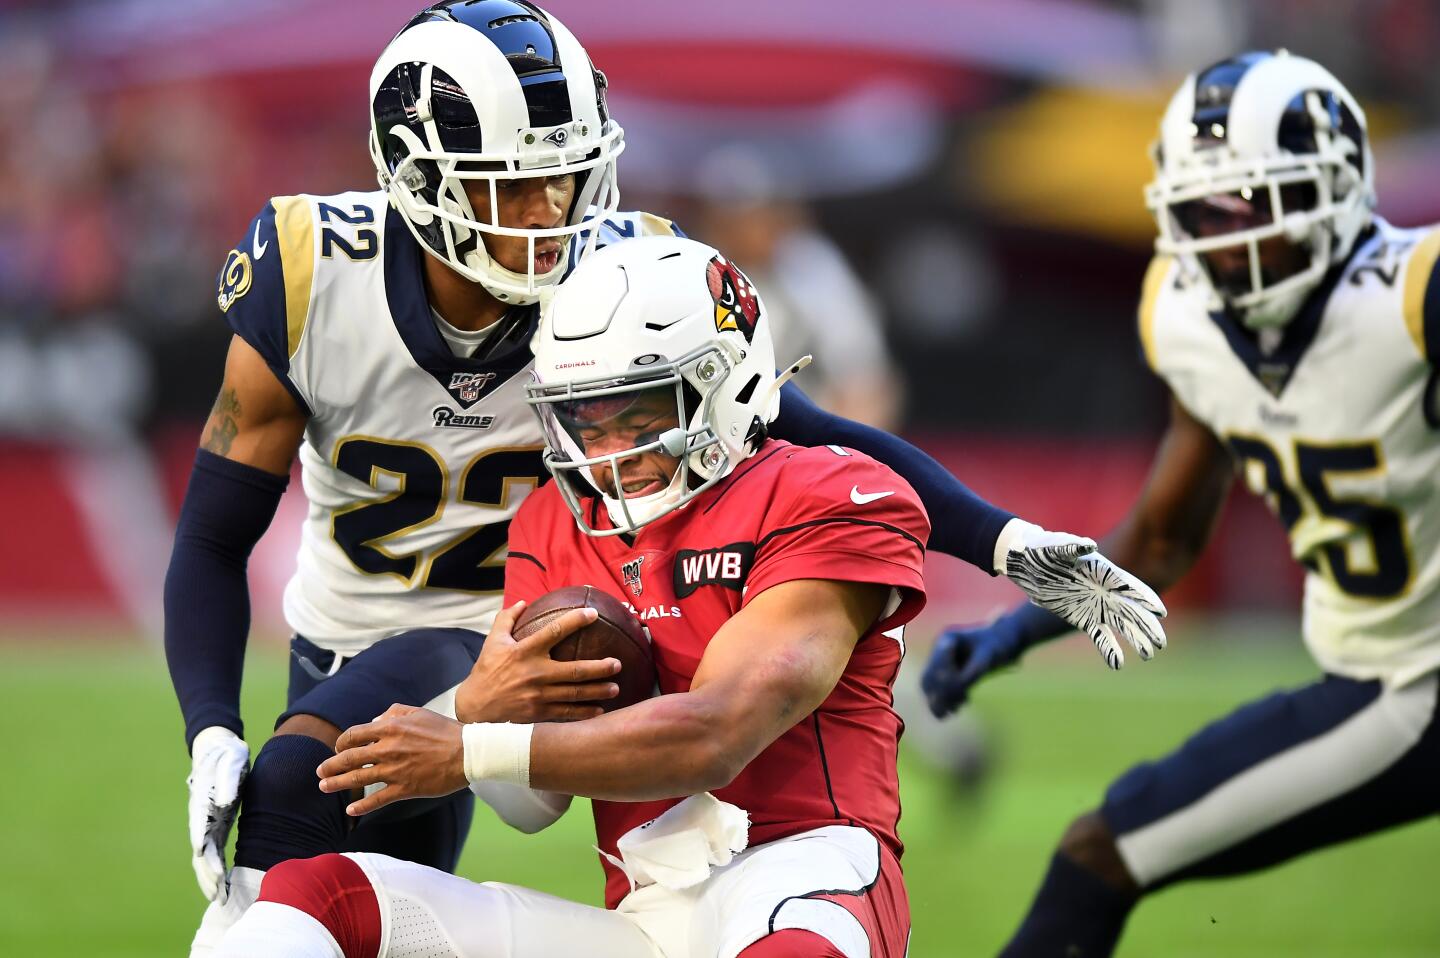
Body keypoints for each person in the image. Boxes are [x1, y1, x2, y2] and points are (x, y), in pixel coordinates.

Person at [167, 2, 1166, 952]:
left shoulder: (625, 286)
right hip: (369, 632)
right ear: (419, 179)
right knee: (296, 887)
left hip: (557, 623)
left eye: (561, 178)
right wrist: (211, 724)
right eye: (511, 184)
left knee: (300, 802)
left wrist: (1003, 541)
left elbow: (804, 426)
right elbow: (214, 535)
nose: (548, 212)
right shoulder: (311, 272)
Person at [921, 50, 1440, 957]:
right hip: (1377, 676)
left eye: (1251, 211)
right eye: (1203, 213)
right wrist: (1021, 627)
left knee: (1097, 854)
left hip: (1417, 681)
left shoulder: (1412, 293)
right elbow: (1162, 539)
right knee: (1099, 852)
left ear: (1335, 195)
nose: (1222, 242)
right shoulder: (1185, 316)